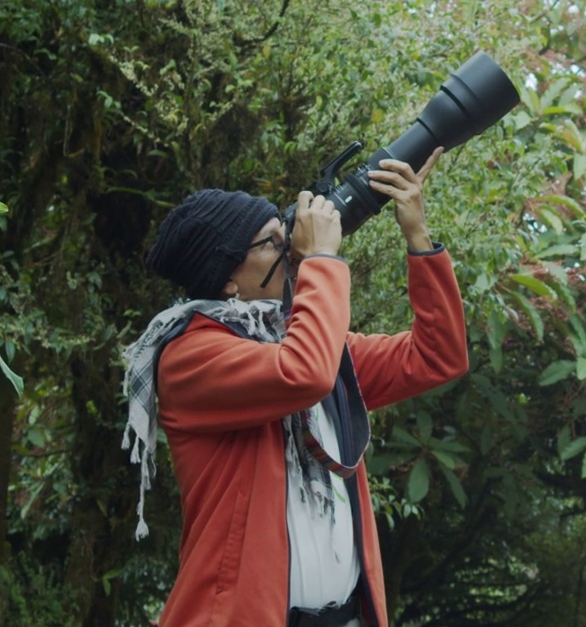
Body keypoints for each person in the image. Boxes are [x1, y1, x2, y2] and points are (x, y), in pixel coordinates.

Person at [121, 148, 468, 627]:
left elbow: (438, 356)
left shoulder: (304, 342)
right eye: (271, 243)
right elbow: (304, 374)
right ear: (225, 280)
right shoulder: (190, 356)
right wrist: (322, 260)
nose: (290, 251)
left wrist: (417, 235)